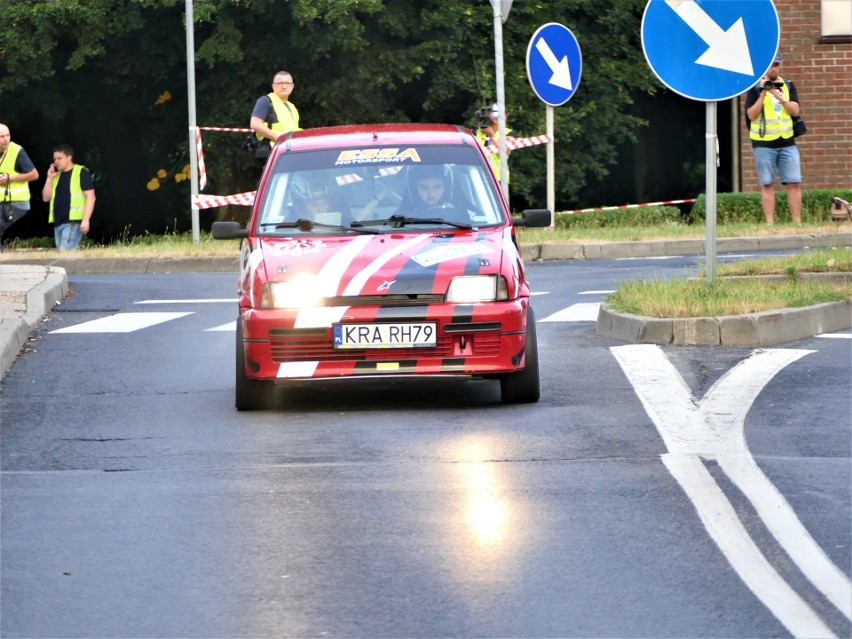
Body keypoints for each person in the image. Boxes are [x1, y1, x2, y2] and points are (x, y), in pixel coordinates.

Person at [744, 54, 802, 225]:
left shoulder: (788, 85)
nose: (773, 69)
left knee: (794, 181)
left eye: (776, 65)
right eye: (771, 65)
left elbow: (795, 111)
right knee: (767, 183)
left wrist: (779, 96)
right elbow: (751, 115)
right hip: (763, 143)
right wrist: (763, 94)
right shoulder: (755, 88)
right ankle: (770, 222)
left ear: (781, 65)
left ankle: (797, 222)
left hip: (787, 141)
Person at [41, 144, 96, 250]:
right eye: (54, 159)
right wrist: (49, 178)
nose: (56, 161)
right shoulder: (56, 175)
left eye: (59, 158)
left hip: (73, 222)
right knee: (64, 255)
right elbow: (46, 198)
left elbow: (91, 197)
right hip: (58, 223)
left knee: (66, 254)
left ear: (69, 157)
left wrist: (85, 220)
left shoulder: (81, 172)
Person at [0, 124, 39, 250]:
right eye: (2, 136)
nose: (6, 139)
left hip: (16, 202)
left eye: (8, 135)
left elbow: (34, 175)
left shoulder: (16, 151)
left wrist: (10, 178)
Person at [250, 71, 301, 154]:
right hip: (271, 152)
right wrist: (278, 138)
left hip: (288, 151)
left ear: (292, 86)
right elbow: (255, 124)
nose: (284, 86)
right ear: (273, 86)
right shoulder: (265, 101)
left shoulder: (292, 107)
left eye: (287, 83)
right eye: (280, 83)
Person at [475, 103, 514, 184]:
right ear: (489, 114)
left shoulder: (508, 133)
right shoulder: (479, 132)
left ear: (505, 116)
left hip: (499, 178)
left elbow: (503, 155)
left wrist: (491, 135)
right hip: (479, 175)